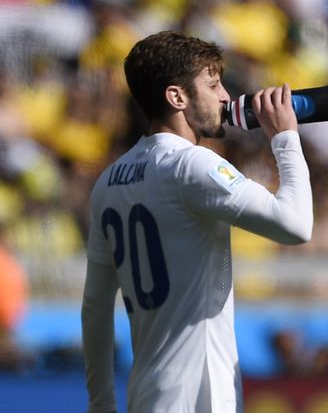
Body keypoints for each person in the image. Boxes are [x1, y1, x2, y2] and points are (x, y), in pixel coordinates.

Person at [81, 31, 313, 413]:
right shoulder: (192, 165)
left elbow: (95, 307)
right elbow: (296, 225)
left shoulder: (107, 181)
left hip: (146, 393)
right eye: (212, 84)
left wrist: (100, 403)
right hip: (199, 396)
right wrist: (285, 137)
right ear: (177, 97)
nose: (225, 96)